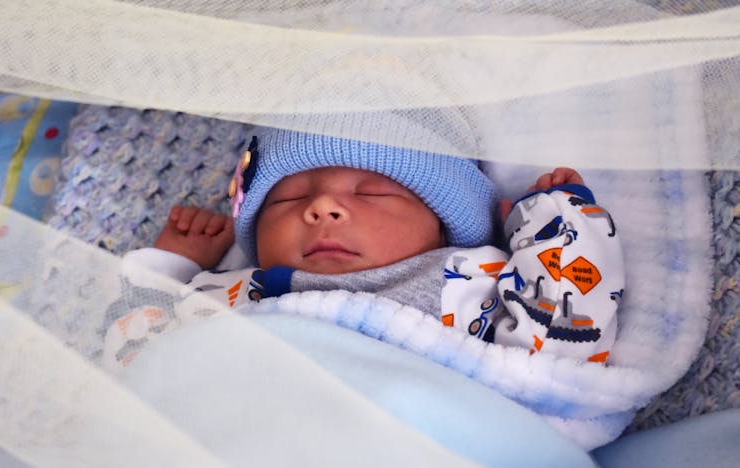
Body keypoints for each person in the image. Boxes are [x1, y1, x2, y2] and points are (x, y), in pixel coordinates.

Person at [102, 128, 624, 370]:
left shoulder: (462, 277)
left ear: (444, 228)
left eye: (373, 192)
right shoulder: (226, 291)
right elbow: (133, 358)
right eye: (288, 198)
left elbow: (560, 341)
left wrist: (555, 223)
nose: (323, 207)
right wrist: (172, 267)